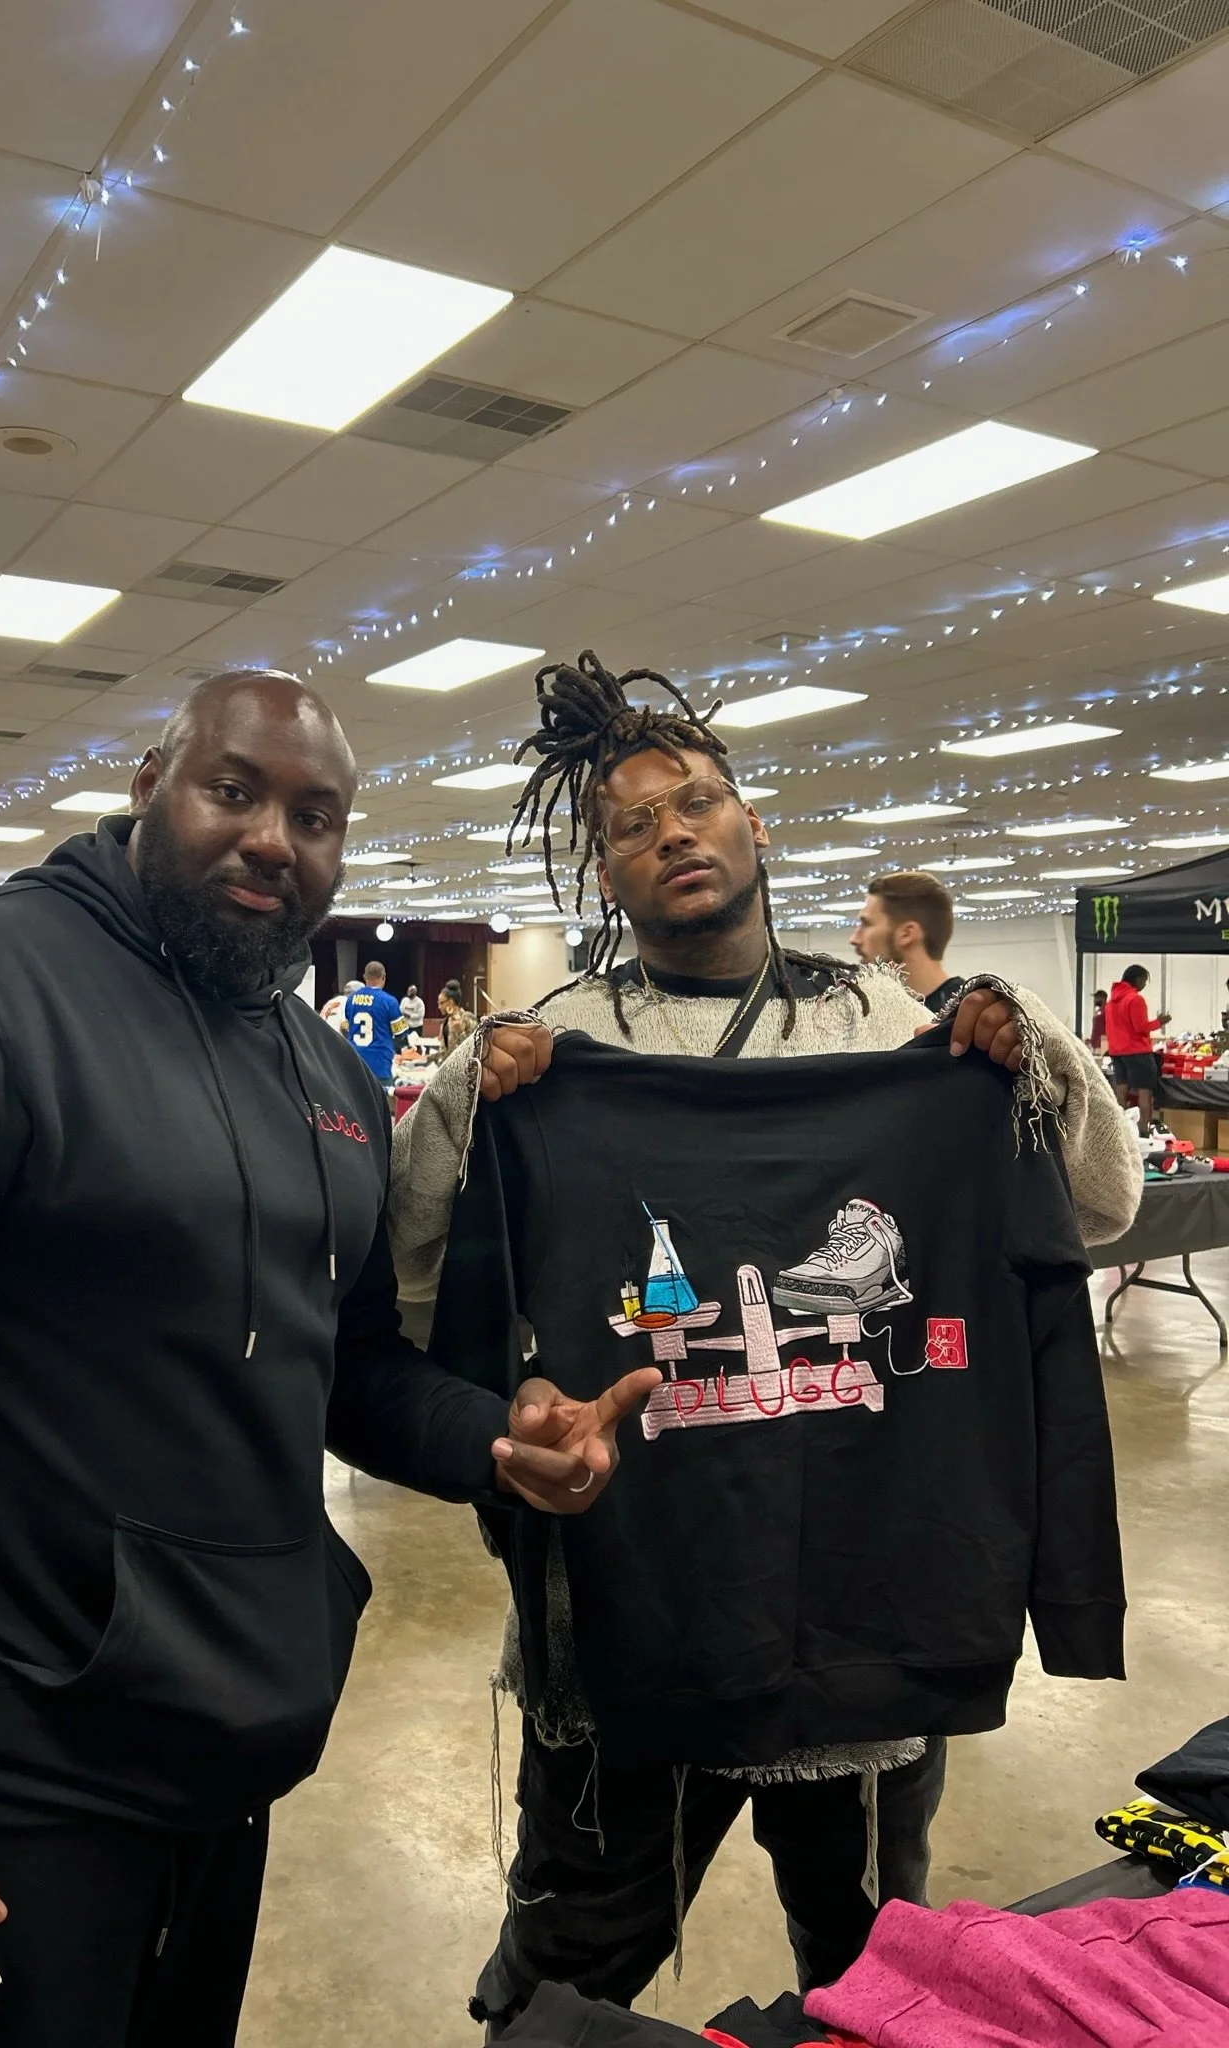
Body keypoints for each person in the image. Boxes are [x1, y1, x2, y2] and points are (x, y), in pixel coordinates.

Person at [0, 671, 657, 2048]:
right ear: (151, 786)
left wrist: (498, 1440)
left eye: (317, 815)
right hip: (1, 1776)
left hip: (221, 1748)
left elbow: (352, 1364)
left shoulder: (322, 1074)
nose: (277, 836)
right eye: (236, 789)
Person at [389, 651, 1140, 2031]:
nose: (671, 832)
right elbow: (420, 1279)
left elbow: (1100, 1201)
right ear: (603, 878)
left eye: (698, 803)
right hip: (619, 1632)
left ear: (753, 828)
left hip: (862, 1633)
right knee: (559, 1987)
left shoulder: (884, 1023)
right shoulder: (555, 1043)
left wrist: (1025, 1050)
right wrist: (467, 1096)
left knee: (865, 1989)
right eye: (630, 826)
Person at [851, 871, 962, 1012]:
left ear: (906, 934)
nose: (854, 939)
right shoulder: (879, 1013)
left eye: (866, 924)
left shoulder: (966, 1020)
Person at [1104, 964, 1169, 1131]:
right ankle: (1144, 1132)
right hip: (1138, 1052)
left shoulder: (1111, 1003)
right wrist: (1159, 1022)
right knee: (1145, 1093)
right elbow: (1140, 1027)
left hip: (1117, 1053)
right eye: (1145, 981)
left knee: (1121, 1092)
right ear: (1138, 979)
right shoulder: (1135, 999)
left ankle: (1118, 1130)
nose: (1144, 985)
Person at [344, 959, 409, 1084]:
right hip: (380, 1063)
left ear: (364, 977)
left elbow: (348, 1027)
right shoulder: (389, 1002)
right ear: (383, 977)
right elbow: (401, 1035)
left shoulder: (350, 1000)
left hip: (354, 1061)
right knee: (381, 1102)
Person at [438, 979, 478, 1055]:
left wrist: (461, 1033)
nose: (439, 1007)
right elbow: (443, 1054)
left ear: (451, 1002)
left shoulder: (469, 1019)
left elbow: (474, 1050)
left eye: (441, 1003)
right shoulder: (445, 1022)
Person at [1090, 988, 1108, 1053]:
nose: (1094, 1000)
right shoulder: (1098, 1011)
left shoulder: (1107, 1010)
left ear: (1103, 998)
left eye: (1096, 998)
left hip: (1103, 1045)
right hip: (1095, 1045)